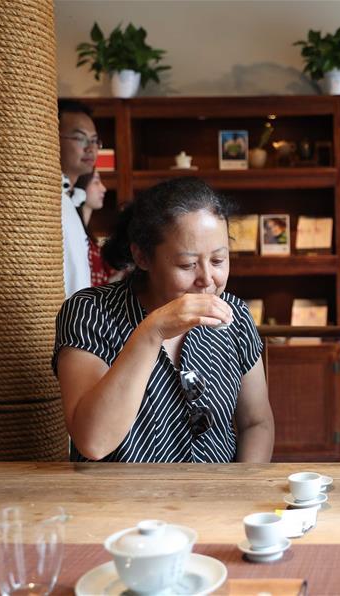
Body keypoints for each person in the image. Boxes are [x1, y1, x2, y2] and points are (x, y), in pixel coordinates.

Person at [53, 177, 275, 462]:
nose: (207, 279)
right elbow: (93, 442)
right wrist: (152, 331)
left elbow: (256, 423)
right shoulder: (90, 312)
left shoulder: (235, 315)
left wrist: (243, 485)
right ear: (142, 257)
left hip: (218, 490)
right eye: (187, 264)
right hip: (119, 492)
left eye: (218, 260)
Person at [58, 99, 98, 296]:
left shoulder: (71, 199)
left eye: (94, 140)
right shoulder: (50, 201)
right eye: (80, 138)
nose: (90, 148)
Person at [74, 169, 117, 286]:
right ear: (81, 185)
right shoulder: (75, 235)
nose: (103, 188)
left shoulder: (88, 237)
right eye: (96, 182)